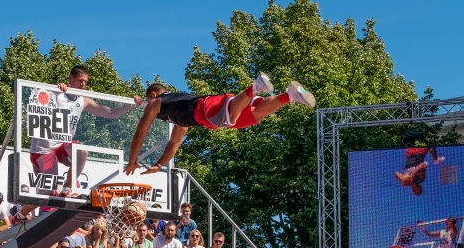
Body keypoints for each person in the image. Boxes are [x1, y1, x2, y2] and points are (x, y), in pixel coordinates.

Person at [124, 74, 316, 175]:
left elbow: (139, 135)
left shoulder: (155, 103)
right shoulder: (177, 117)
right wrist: (158, 165)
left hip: (205, 110)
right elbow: (174, 144)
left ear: (153, 95)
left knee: (229, 116)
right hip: (204, 114)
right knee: (255, 116)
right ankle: (290, 95)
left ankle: (255, 86)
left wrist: (132, 161)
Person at [30, 65, 136, 193]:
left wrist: (130, 104)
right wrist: (54, 87)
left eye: (85, 81)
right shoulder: (56, 93)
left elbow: (110, 112)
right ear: (70, 78)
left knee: (82, 152)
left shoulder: (83, 100)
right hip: (44, 147)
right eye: (80, 80)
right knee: (49, 194)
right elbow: (37, 95)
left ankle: (67, 187)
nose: (83, 84)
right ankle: (20, 213)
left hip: (62, 145)